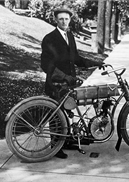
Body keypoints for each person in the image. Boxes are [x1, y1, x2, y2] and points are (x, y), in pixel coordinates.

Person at [41, 7, 104, 159]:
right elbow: (46, 64)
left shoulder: (69, 35)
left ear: (70, 20)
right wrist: (64, 77)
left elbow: (75, 58)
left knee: (67, 111)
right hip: (56, 83)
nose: (64, 21)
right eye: (61, 19)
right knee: (56, 114)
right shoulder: (49, 38)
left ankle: (67, 141)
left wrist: (94, 63)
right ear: (56, 20)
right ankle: (56, 147)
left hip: (69, 84)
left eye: (66, 19)